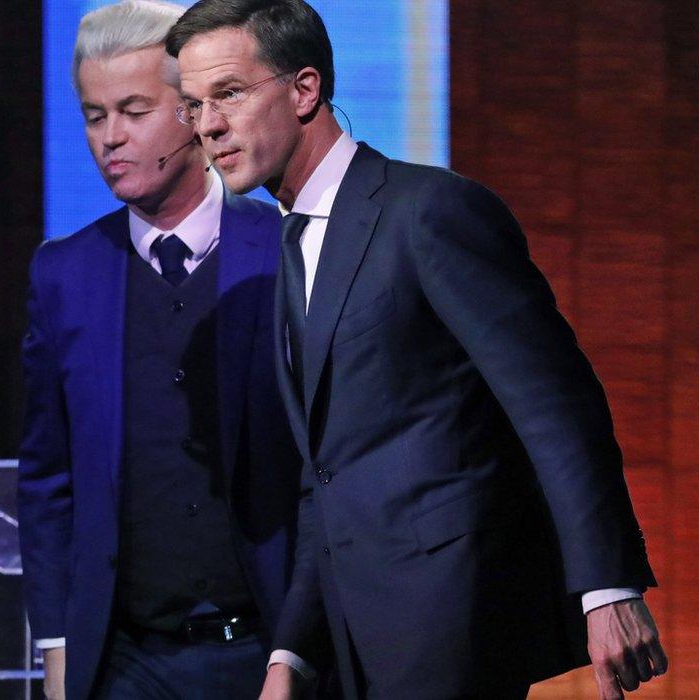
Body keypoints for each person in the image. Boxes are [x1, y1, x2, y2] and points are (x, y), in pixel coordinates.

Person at [167, 1, 668, 698]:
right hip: (354, 640)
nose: (207, 126)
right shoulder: (293, 247)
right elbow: (328, 475)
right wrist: (293, 652)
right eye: (193, 106)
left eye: (228, 94)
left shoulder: (428, 211)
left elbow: (555, 406)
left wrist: (606, 586)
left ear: (305, 89)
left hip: (452, 622)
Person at [17, 2, 316, 698]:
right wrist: (57, 646)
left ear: (190, 114)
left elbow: (321, 474)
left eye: (132, 110)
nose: (109, 139)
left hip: (269, 651)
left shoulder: (287, 252)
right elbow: (47, 477)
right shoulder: (64, 273)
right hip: (124, 662)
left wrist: (298, 651)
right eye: (95, 116)